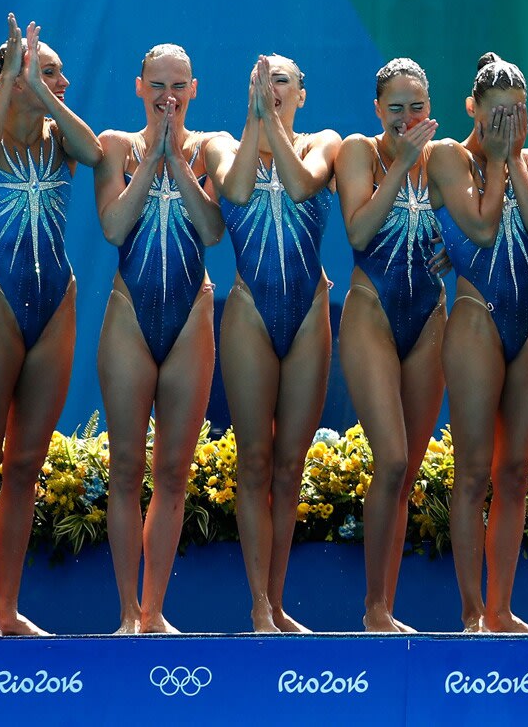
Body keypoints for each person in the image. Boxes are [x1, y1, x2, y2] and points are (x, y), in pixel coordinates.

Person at [0, 15, 101, 636]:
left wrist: (39, 91)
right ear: (12, 79)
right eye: (50, 72)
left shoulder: (59, 139)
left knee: (25, 466)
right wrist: (12, 81)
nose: (63, 82)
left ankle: (9, 608)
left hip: (55, 308)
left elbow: (96, 153)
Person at [93, 42, 226, 634]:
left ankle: (153, 613)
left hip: (190, 315)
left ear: (194, 90)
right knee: (126, 468)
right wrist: (154, 160)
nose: (169, 98)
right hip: (130, 317)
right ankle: (125, 613)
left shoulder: (212, 148)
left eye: (179, 87)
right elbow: (114, 225)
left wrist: (178, 161)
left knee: (173, 472)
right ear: (139, 88)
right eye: (158, 86)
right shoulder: (116, 147)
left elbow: (214, 231)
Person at [210, 54, 339, 633]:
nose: (271, 88)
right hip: (249, 312)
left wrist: (275, 128)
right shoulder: (222, 147)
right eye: (260, 81)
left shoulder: (323, 142)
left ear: (302, 93)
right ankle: (257, 605)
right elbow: (235, 192)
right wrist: (255, 124)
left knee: (290, 466)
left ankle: (278, 601)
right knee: (256, 459)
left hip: (309, 311)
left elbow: (303, 183)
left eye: (282, 79)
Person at [433, 54, 528, 632]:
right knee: (473, 472)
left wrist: (515, 163)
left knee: (515, 473)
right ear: (472, 109)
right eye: (494, 115)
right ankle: (471, 612)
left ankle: (502, 609)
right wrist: (500, 162)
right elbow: (482, 227)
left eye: (515, 115)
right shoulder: (447, 157)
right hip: (477, 314)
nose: (504, 126)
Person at [333, 58, 445, 632]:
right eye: (395, 109)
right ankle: (372, 608)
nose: (407, 118)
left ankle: (387, 608)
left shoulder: (445, 158)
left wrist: (459, 252)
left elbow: (474, 223)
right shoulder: (360, 151)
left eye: (417, 108)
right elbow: (358, 230)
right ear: (378, 109)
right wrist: (400, 167)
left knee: (410, 470)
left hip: (429, 317)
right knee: (393, 457)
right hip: (372, 309)